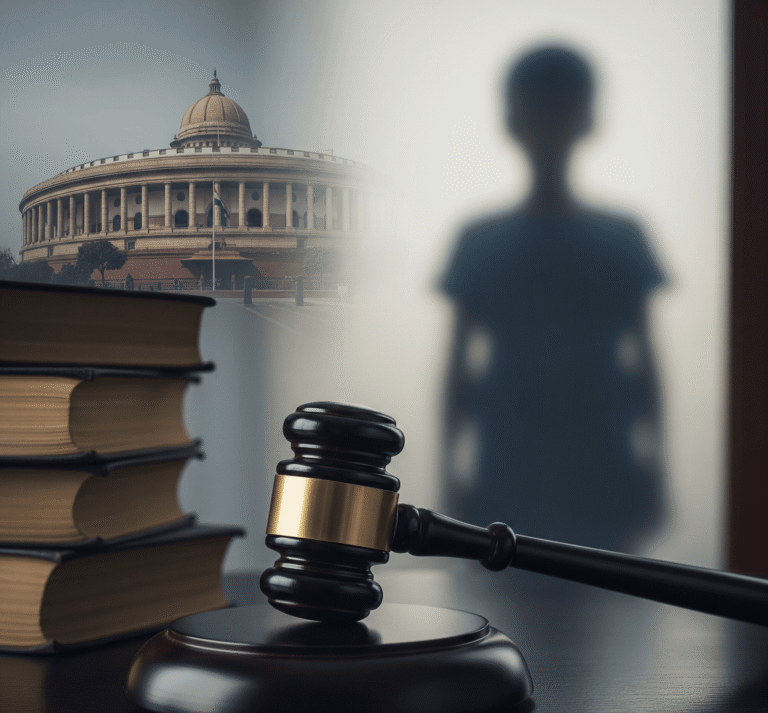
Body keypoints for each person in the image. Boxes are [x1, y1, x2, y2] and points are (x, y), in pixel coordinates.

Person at [440, 46, 666, 551]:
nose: (548, 128)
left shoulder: (484, 241)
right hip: (528, 467)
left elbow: (649, 366)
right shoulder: (617, 239)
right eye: (539, 111)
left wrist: (658, 472)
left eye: (557, 110)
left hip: (580, 467)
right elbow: (455, 373)